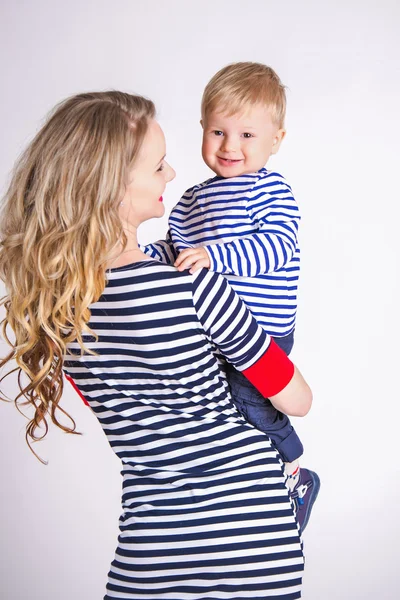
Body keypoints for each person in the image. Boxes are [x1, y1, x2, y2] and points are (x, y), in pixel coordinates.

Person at [0, 91, 312, 599]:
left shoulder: (59, 311)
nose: (171, 176)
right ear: (113, 187)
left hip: (148, 552)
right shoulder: (196, 288)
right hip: (252, 539)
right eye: (158, 165)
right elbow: (297, 398)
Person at [142, 62, 320, 531]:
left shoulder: (269, 190)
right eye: (218, 131)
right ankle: (246, 491)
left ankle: (294, 466)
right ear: (202, 129)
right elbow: (179, 251)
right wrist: (143, 253)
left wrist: (214, 255)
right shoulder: (192, 199)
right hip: (218, 332)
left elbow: (278, 245)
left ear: (276, 141)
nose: (229, 147)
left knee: (249, 397)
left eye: (247, 136)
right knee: (220, 408)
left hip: (262, 329)